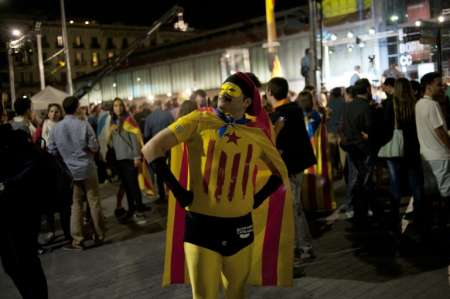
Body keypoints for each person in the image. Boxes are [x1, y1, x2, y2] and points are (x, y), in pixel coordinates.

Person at [142, 72, 291, 299]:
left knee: (237, 293)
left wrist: (256, 199)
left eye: (232, 90)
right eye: (223, 88)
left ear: (247, 102)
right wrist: (181, 193)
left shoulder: (255, 134)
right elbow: (151, 148)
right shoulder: (197, 120)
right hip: (201, 227)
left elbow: (280, 173)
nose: (224, 92)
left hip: (241, 227)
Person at [267, 77, 316, 263]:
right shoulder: (294, 109)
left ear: (270, 93)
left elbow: (279, 143)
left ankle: (304, 248)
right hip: (299, 163)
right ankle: (300, 246)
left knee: (294, 207)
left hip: (290, 166)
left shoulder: (280, 115)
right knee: (294, 206)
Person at [48, 96, 106, 250]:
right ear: (76, 107)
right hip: (87, 167)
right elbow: (94, 146)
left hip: (70, 171)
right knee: (94, 202)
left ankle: (77, 240)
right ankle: (99, 235)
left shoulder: (56, 128)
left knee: (76, 205)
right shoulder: (83, 124)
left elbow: (51, 151)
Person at [0, 124, 48, 299]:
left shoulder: (15, 138)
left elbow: (34, 166)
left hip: (20, 211)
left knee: (27, 261)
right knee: (11, 265)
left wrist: (7, 184)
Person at [384, 78, 425, 235]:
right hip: (413, 147)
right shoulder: (416, 104)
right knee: (416, 183)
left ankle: (394, 216)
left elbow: (386, 126)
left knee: (395, 183)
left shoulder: (391, 104)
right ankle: (419, 214)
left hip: (396, 148)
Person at [416, 72, 450, 232]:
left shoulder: (419, 104)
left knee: (433, 192)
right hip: (440, 155)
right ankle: (443, 224)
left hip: (426, 155)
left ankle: (434, 224)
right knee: (446, 192)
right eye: (438, 84)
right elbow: (440, 132)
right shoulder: (432, 105)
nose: (441, 87)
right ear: (428, 86)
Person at [341, 79, 376, 229]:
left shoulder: (348, 107)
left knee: (354, 179)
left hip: (350, 147)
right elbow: (370, 129)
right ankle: (366, 208)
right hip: (363, 148)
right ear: (367, 90)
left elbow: (343, 127)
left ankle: (354, 208)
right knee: (365, 180)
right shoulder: (366, 108)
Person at [109, 98, 150, 222]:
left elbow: (134, 139)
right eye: (115, 106)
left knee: (132, 185)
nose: (118, 108)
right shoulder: (113, 121)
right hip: (119, 159)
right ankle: (134, 208)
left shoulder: (128, 120)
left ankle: (137, 209)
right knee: (127, 186)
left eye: (120, 105)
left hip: (129, 158)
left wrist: (137, 157)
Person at [297, 91, 335, 212]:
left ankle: (307, 204)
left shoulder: (299, 117)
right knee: (321, 177)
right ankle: (322, 203)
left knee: (306, 181)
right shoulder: (318, 115)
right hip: (319, 154)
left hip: (304, 154)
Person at [144, 100, 174, 203]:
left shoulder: (149, 118)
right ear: (160, 105)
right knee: (170, 170)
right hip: (169, 146)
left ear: (153, 106)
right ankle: (173, 192)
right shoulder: (167, 115)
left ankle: (162, 195)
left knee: (160, 173)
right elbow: (174, 128)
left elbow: (146, 135)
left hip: (156, 148)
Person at [327, 87, 346, 179]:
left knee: (332, 154)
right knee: (342, 155)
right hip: (341, 131)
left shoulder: (330, 102)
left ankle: (334, 172)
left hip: (330, 130)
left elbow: (328, 116)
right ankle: (343, 171)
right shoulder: (344, 102)